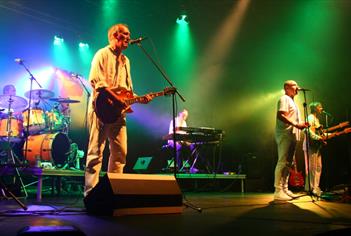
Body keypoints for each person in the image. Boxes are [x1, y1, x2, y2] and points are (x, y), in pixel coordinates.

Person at [84, 23, 151, 197]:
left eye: (129, 34)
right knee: (96, 152)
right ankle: (90, 194)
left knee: (120, 152)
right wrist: (117, 99)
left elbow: (126, 90)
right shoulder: (102, 54)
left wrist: (139, 98)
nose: (129, 37)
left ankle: (112, 192)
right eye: (126, 34)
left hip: (118, 113)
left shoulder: (126, 61)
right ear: (115, 35)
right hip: (100, 110)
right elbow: (96, 82)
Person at [274, 80, 308, 201]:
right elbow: (280, 115)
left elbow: (292, 118)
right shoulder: (284, 98)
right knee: (282, 162)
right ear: (287, 87)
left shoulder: (292, 101)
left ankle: (284, 188)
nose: (297, 87)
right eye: (295, 85)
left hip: (292, 135)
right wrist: (296, 124)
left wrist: (300, 124)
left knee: (288, 164)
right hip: (285, 134)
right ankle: (278, 190)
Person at [303, 102, 326, 197]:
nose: (321, 108)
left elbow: (317, 132)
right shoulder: (310, 117)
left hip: (316, 146)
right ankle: (311, 188)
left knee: (318, 167)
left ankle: (315, 187)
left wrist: (323, 138)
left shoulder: (316, 119)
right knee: (312, 167)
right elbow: (306, 130)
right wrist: (318, 138)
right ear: (315, 108)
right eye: (319, 106)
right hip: (310, 145)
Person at [168, 109, 198, 173]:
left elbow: (185, 134)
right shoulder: (174, 121)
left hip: (181, 141)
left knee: (193, 146)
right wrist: (180, 140)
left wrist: (187, 141)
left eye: (186, 115)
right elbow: (171, 134)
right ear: (180, 113)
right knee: (179, 146)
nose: (185, 117)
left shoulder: (184, 122)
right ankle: (180, 168)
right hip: (173, 141)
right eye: (184, 115)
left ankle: (193, 167)